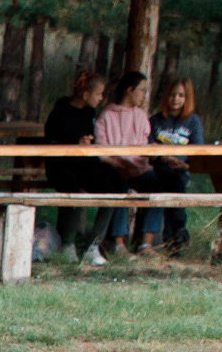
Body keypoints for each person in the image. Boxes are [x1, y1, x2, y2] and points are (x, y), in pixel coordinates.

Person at [42, 70, 123, 264]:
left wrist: (86, 142)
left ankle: (93, 245)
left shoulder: (89, 112)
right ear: (86, 94)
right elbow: (51, 138)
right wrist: (74, 142)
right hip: (60, 165)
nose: (101, 98)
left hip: (83, 165)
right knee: (74, 190)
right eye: (98, 94)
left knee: (115, 188)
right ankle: (68, 245)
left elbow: (88, 137)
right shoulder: (61, 109)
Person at [89, 70, 157, 258]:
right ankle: (118, 244)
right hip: (115, 168)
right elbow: (101, 149)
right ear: (129, 90)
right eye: (141, 90)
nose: (144, 95)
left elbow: (144, 146)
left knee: (157, 185)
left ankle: (146, 243)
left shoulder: (141, 115)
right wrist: (117, 163)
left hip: (139, 167)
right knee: (118, 186)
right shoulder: (107, 115)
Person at [145, 77, 204, 254]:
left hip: (181, 170)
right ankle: (178, 231)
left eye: (181, 95)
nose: (176, 99)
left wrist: (184, 165)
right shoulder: (156, 120)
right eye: (172, 95)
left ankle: (174, 236)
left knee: (175, 179)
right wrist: (163, 156)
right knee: (169, 179)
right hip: (158, 168)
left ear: (187, 98)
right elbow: (148, 148)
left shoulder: (193, 122)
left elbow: (198, 152)